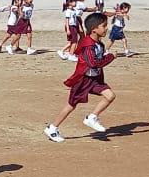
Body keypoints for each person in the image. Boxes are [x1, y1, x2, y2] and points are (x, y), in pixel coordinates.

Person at [44, 12, 117, 142]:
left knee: (110, 95)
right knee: (71, 105)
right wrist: (110, 57)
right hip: (83, 80)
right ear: (94, 29)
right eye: (104, 26)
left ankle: (92, 117)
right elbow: (93, 64)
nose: (106, 28)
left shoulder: (99, 44)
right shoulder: (88, 45)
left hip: (94, 80)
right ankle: (52, 128)